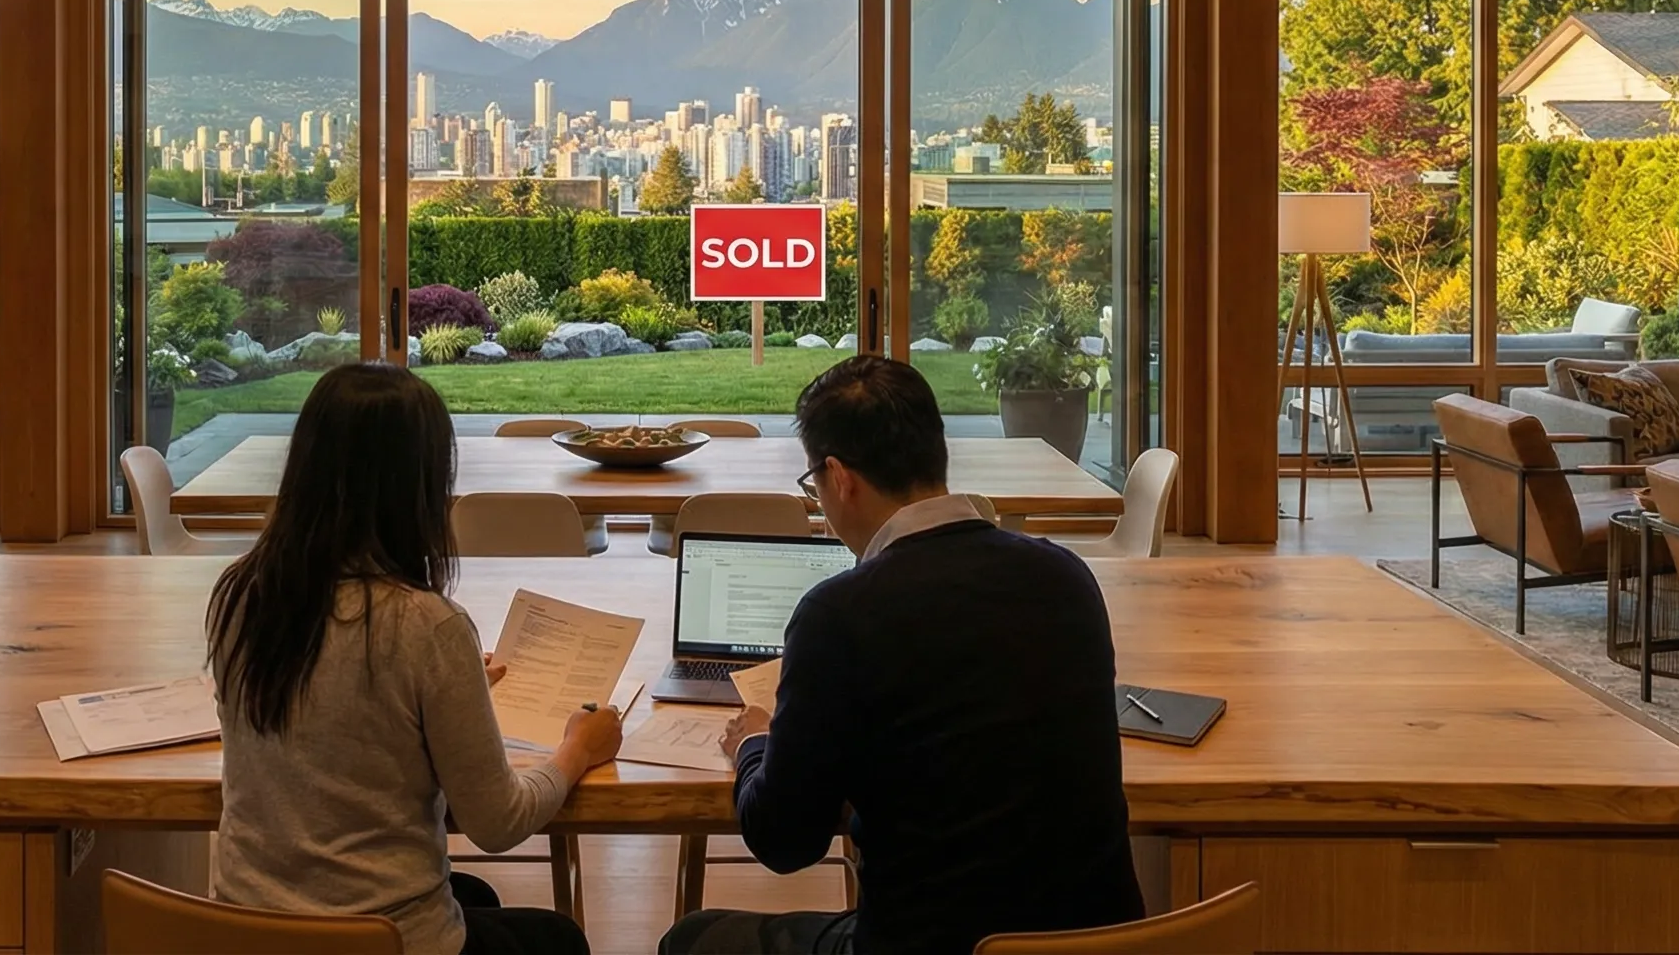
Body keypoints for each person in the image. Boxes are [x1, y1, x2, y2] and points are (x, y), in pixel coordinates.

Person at [660, 355, 1142, 955]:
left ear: (839, 478)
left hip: (934, 945)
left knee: (694, 938)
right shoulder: (1066, 576)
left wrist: (755, 743)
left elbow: (784, 841)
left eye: (814, 485)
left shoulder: (840, 614)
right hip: (1102, 943)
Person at [208, 361, 624, 955]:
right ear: (419, 488)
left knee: (474, 895)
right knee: (556, 939)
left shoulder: (239, 596)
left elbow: (326, 714)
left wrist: (441, 699)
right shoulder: (426, 627)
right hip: (378, 940)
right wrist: (578, 747)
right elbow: (498, 822)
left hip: (246, 929)